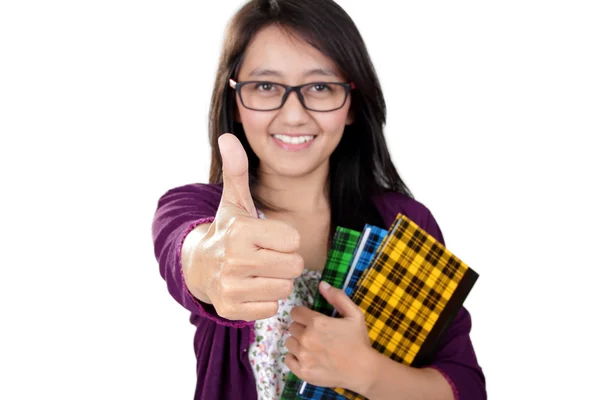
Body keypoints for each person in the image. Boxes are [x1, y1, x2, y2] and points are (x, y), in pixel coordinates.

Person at [151, 0, 486, 399]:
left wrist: (367, 373)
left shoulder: (404, 222)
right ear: (235, 102)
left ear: (351, 105)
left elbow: (464, 388)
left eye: (321, 87)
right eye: (265, 86)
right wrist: (213, 262)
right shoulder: (195, 210)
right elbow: (191, 253)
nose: (293, 116)